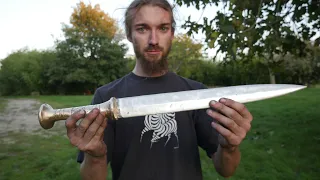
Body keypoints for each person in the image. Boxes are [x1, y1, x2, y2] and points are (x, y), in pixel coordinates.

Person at [65, 0, 253, 179]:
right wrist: (95, 157)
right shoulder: (107, 98)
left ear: (172, 33)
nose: (153, 40)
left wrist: (229, 147)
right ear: (129, 35)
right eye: (142, 28)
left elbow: (226, 170)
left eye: (163, 28)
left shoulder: (196, 94)